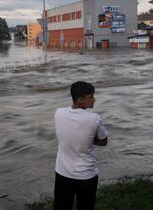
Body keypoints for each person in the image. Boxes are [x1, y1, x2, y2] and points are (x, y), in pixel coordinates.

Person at [54, 81, 108, 210]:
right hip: (86, 175)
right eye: (90, 97)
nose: (94, 100)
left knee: (61, 206)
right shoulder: (94, 118)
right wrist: (89, 140)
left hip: (62, 173)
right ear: (80, 100)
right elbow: (103, 141)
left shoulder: (58, 113)